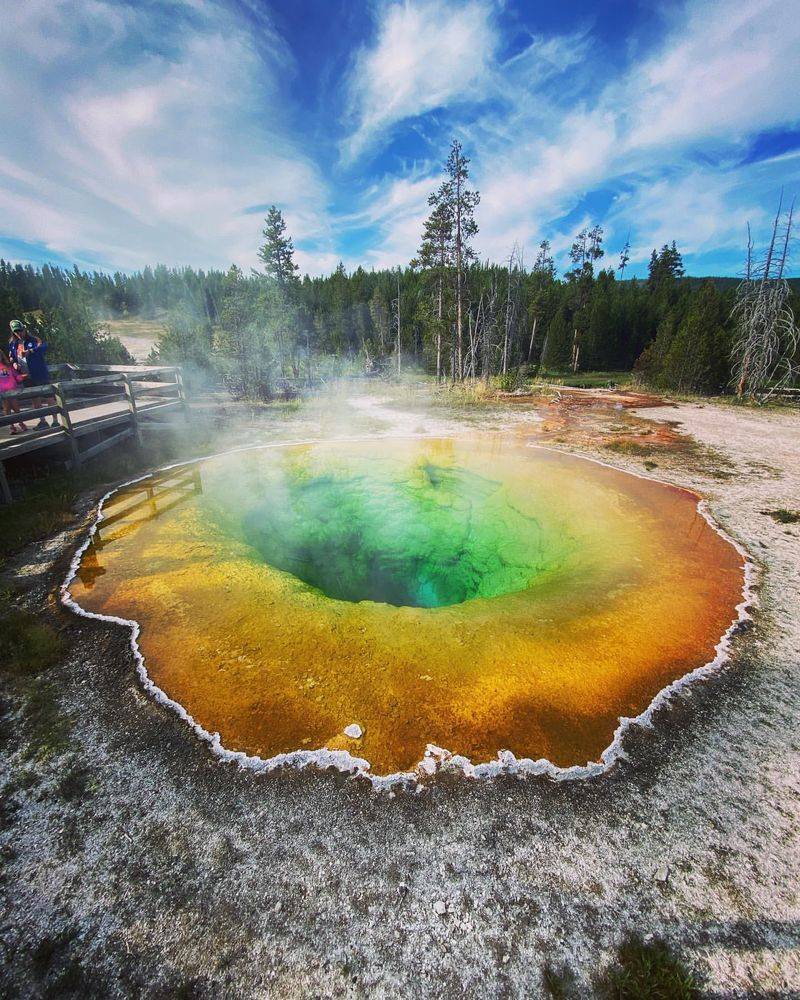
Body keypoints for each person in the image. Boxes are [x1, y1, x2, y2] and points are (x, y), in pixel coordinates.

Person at [8, 319, 55, 429]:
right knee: (35, 399)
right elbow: (12, 358)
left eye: (20, 330)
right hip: (26, 375)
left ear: (24, 329)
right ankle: (43, 421)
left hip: (39, 373)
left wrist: (30, 351)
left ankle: (55, 420)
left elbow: (44, 347)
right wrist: (14, 364)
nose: (19, 333)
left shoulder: (34, 339)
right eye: (16, 332)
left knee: (49, 397)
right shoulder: (13, 344)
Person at [0, 349, 27, 435]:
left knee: (16, 408)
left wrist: (22, 376)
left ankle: (21, 423)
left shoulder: (8, 365)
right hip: (3, 392)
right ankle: (12, 427)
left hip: (12, 390)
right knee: (7, 409)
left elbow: (16, 375)